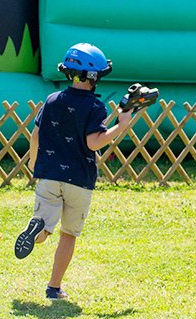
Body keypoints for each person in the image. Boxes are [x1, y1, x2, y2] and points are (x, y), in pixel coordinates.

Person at [14, 43, 132, 300]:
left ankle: (37, 230)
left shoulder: (52, 100)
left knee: (45, 228)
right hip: (79, 179)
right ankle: (54, 287)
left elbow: (35, 135)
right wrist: (120, 126)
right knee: (69, 234)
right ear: (94, 77)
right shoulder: (95, 107)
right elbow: (94, 142)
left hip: (49, 176)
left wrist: (35, 164)